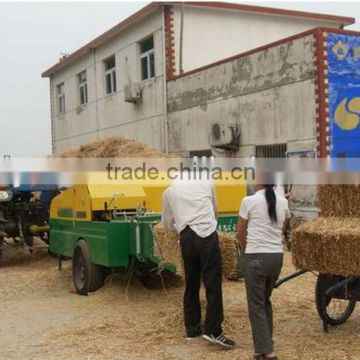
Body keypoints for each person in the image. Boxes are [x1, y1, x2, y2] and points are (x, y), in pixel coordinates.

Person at [162, 180, 235, 349]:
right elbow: (215, 210)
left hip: (186, 237)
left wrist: (182, 227)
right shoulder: (207, 184)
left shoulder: (169, 191)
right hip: (206, 235)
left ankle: (192, 328)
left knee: (191, 283)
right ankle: (213, 330)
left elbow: (167, 223)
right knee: (212, 283)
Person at [237, 183, 291, 360]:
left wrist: (245, 251)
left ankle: (267, 352)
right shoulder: (282, 201)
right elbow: (285, 224)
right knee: (264, 300)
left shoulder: (249, 200)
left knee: (256, 304)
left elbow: (240, 232)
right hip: (276, 257)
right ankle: (265, 345)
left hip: (256, 256)